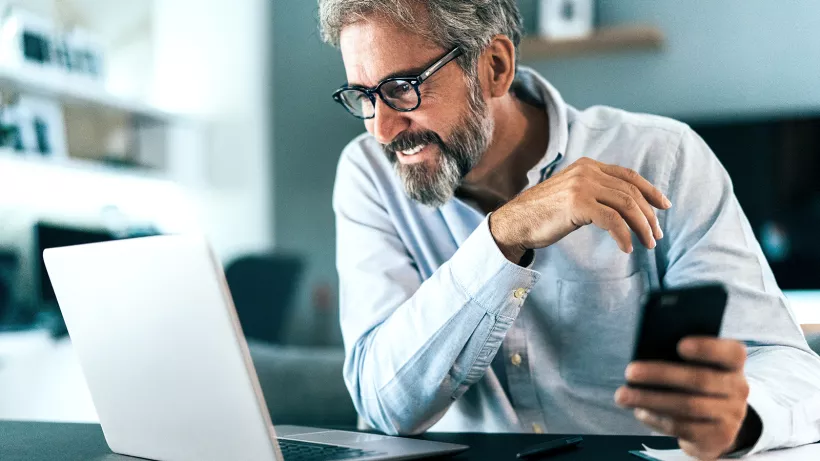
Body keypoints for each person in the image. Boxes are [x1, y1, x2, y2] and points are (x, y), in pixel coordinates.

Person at [320, 1, 820, 458]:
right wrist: (503, 237)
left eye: (402, 89)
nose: (380, 128)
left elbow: (791, 368)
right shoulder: (370, 175)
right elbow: (384, 406)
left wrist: (738, 420)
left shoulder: (663, 158)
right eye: (362, 95)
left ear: (494, 67)